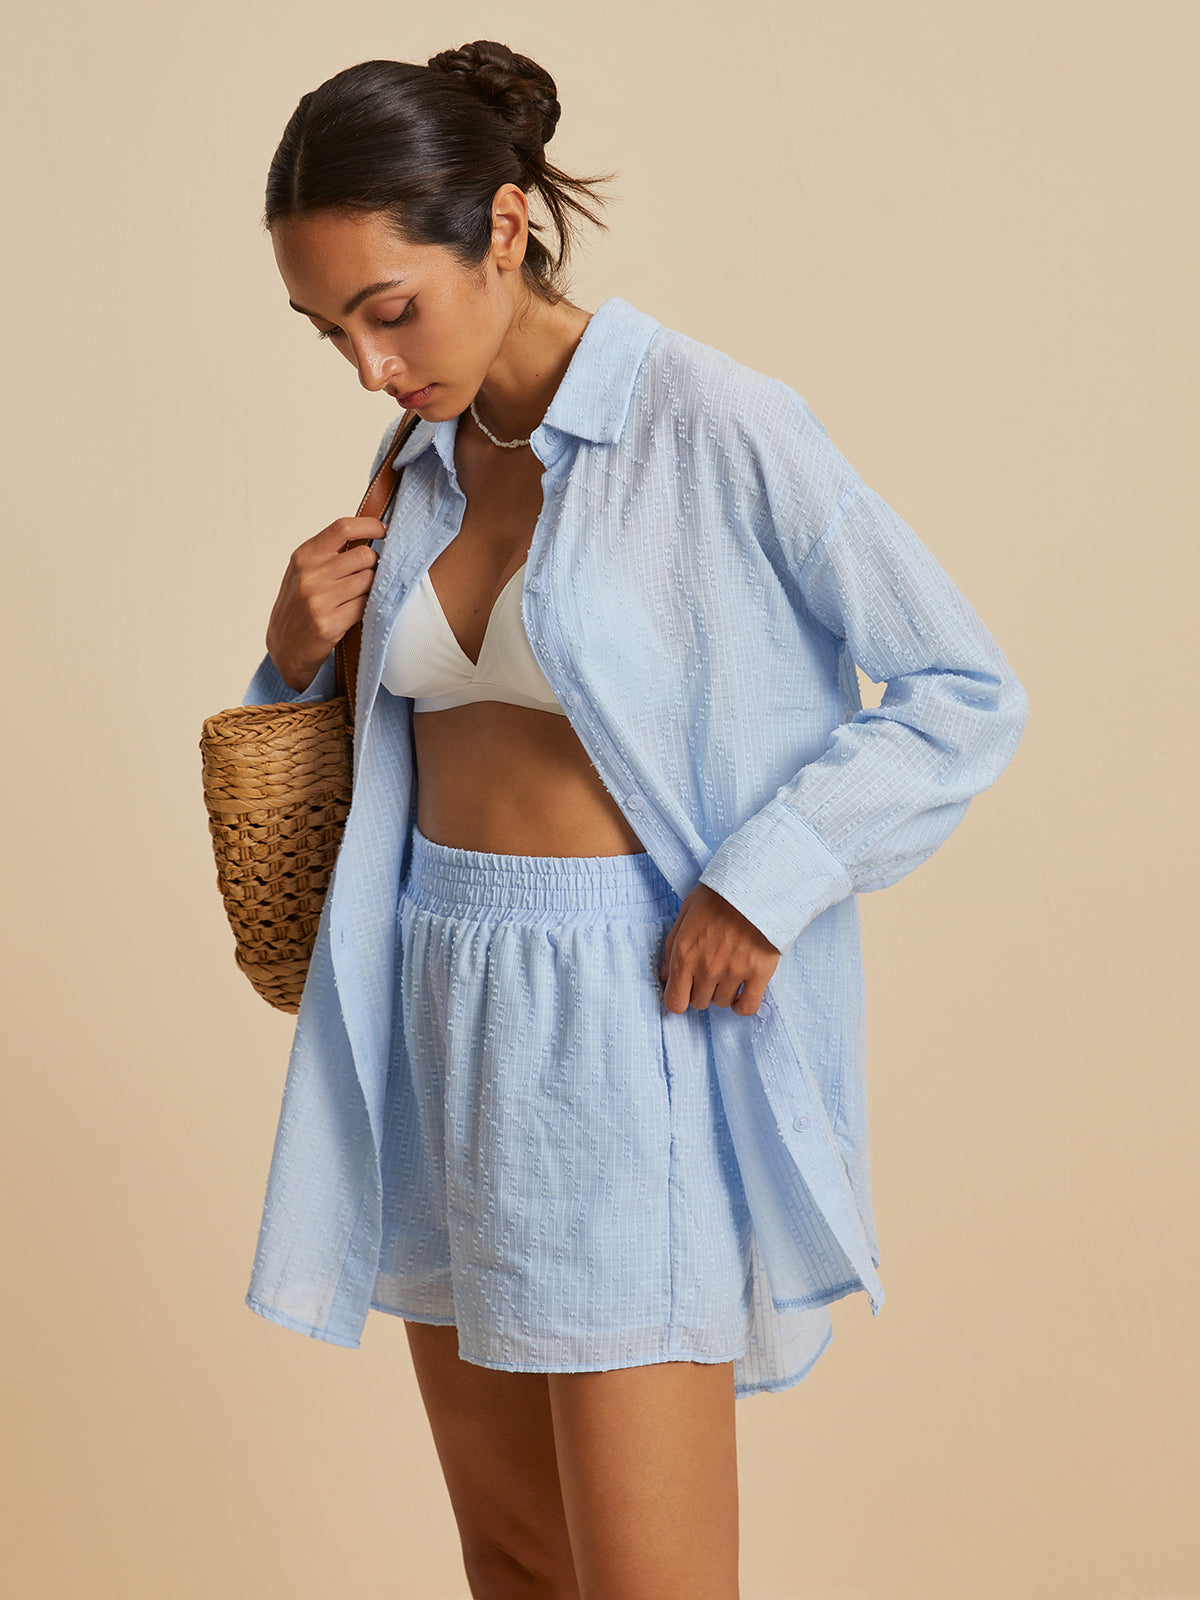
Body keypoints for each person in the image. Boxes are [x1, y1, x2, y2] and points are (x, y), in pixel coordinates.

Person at [240, 39, 1029, 1600]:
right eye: (330, 332)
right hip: (435, 1001)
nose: (369, 368)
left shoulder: (710, 421)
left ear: (505, 226)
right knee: (514, 1558)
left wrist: (769, 878)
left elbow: (962, 687)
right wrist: (290, 650)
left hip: (624, 1017)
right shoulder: (417, 453)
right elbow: (361, 755)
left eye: (389, 311)